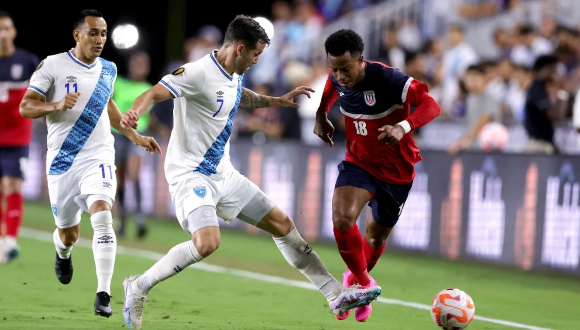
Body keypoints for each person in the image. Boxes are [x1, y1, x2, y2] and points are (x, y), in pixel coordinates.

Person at [119, 15, 381, 329]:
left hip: (223, 174)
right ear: (240, 48)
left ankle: (334, 293)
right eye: (256, 54)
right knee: (207, 242)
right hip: (191, 175)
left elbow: (238, 97)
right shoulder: (196, 73)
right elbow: (153, 93)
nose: (257, 61)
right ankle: (138, 286)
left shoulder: (235, 72)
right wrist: (135, 112)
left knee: (283, 223)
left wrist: (276, 101)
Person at [19, 9, 161, 318]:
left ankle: (103, 293)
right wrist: (55, 105)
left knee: (102, 214)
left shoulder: (108, 69)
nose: (99, 39)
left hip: (98, 156)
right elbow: (25, 106)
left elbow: (108, 107)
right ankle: (63, 252)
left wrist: (135, 137)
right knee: (68, 233)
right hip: (62, 161)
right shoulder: (53, 65)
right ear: (77, 35)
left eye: (104, 33)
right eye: (94, 33)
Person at [313, 29, 440, 322]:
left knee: (376, 235)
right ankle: (364, 282)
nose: (340, 76)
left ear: (360, 59)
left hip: (397, 171)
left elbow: (432, 104)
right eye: (334, 69)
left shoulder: (388, 78)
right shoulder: (337, 75)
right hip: (358, 163)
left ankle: (357, 281)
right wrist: (321, 115)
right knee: (342, 216)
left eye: (345, 69)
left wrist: (403, 127)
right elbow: (332, 88)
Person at [0, 10, 39, 263]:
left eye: (6, 29)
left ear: (13, 32)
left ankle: (11, 240)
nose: (2, 34)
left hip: (17, 138)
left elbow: (42, 92)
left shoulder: (27, 61)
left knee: (13, 186)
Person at [111, 51, 153, 239]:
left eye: (142, 64)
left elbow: (148, 115)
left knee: (134, 174)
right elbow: (111, 107)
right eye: (136, 64)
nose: (139, 68)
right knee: (119, 179)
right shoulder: (119, 84)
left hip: (138, 134)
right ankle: (121, 219)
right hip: (118, 134)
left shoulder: (148, 88)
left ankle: (139, 219)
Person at [524, 55, 568, 154]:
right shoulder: (537, 89)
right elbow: (554, 116)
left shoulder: (542, 89)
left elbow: (557, 117)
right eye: (553, 69)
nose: (556, 73)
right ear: (545, 69)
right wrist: (562, 92)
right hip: (538, 146)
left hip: (545, 143)